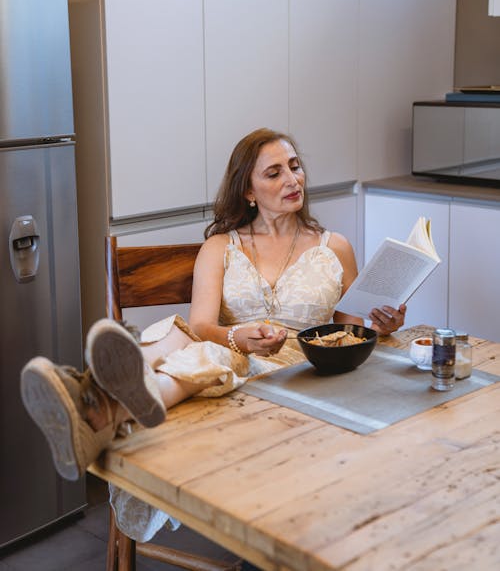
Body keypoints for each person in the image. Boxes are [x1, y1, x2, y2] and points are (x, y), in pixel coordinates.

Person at [20, 127, 405, 539]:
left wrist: (382, 324)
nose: (292, 180)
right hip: (229, 356)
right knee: (182, 333)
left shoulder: (335, 247)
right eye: (274, 173)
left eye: (294, 167)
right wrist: (240, 337)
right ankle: (108, 396)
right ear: (248, 191)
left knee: (213, 354)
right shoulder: (220, 246)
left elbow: (348, 333)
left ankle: (96, 405)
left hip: (298, 373)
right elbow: (202, 325)